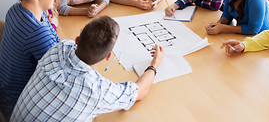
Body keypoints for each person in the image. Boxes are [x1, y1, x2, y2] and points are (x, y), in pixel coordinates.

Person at [11, 16, 164, 121]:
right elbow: (139, 91)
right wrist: (155, 63)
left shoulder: (60, 47)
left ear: (77, 40)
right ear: (108, 56)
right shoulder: (96, 89)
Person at [0, 0, 61, 120]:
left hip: (6, 93)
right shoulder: (37, 33)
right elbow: (62, 74)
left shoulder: (16, 9)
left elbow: (53, 39)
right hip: (19, 108)